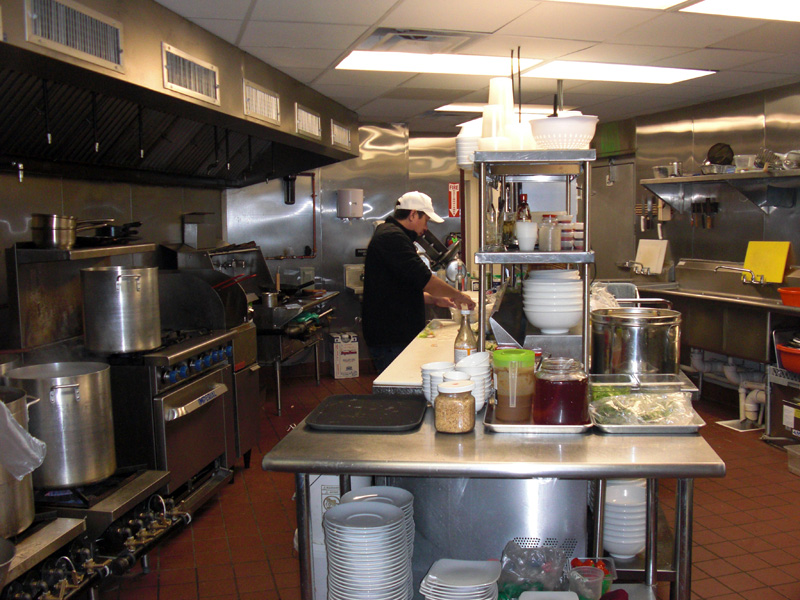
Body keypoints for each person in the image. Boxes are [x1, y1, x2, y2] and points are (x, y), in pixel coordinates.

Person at [362, 191, 476, 373]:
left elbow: (397, 289)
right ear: (413, 214)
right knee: (397, 384)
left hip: (394, 333)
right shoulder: (392, 237)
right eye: (426, 220)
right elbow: (426, 280)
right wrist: (459, 296)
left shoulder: (394, 235)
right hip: (391, 336)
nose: (426, 227)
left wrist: (434, 299)